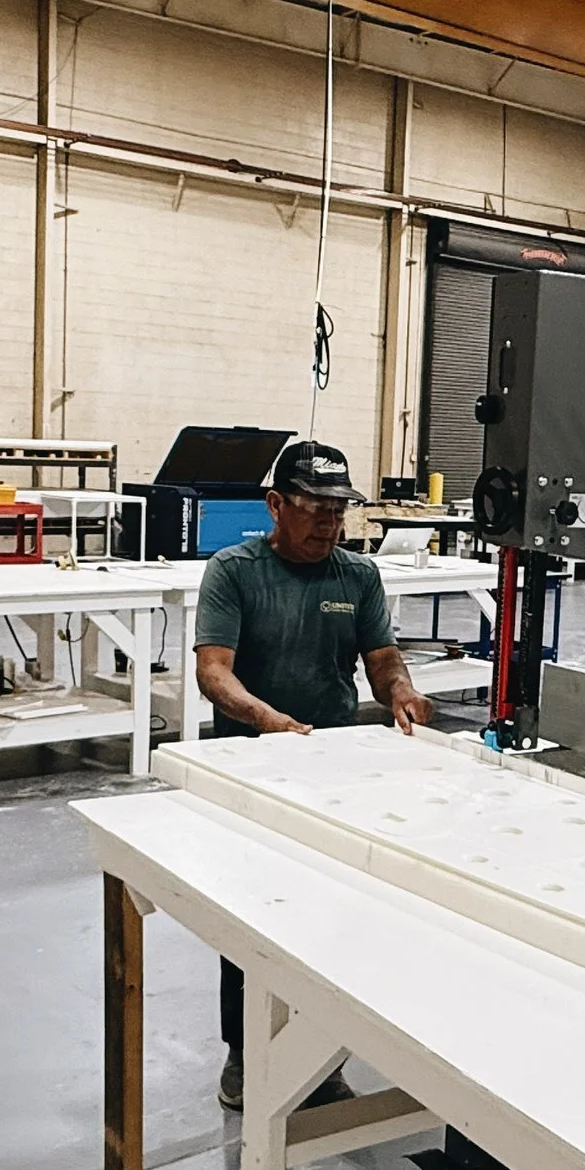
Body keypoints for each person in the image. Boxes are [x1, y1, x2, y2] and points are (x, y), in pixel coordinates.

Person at [196, 438, 432, 1109]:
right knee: (249, 912)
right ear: (275, 504)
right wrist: (262, 716)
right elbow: (214, 669)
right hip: (252, 764)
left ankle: (319, 1056)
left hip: (337, 770)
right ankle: (246, 1053)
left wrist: (400, 691)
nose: (329, 524)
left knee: (332, 914)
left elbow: (381, 657)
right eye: (314, 509)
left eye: (338, 511)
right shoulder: (234, 571)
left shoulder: (357, 577)